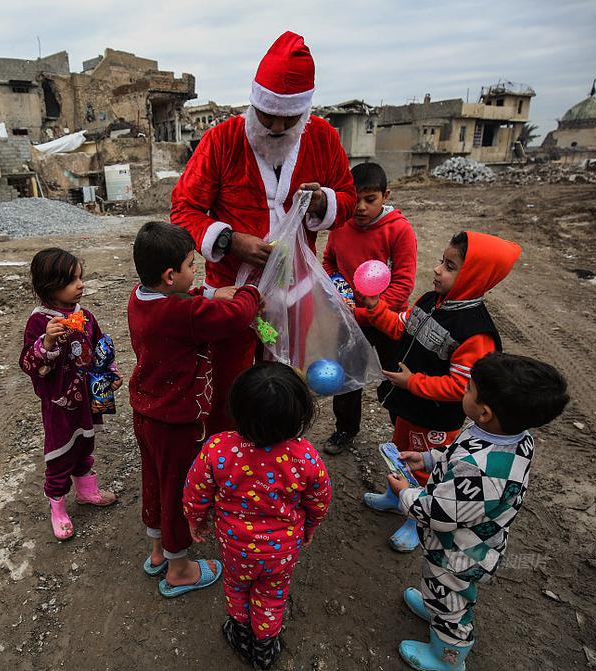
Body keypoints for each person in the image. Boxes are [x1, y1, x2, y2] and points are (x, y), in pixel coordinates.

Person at [171, 31, 356, 433]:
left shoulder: (323, 137)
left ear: (304, 113)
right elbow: (183, 208)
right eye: (266, 114)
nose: (274, 126)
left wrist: (324, 202)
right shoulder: (221, 140)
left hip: (295, 295)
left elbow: (349, 199)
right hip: (232, 294)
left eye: (287, 119)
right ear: (253, 103)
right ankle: (225, 456)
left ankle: (277, 457)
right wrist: (228, 240)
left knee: (284, 383)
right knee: (231, 383)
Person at [386, 353, 569, 670]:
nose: (463, 392)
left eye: (468, 388)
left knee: (452, 602)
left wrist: (405, 493)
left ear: (484, 412)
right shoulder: (511, 437)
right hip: (468, 540)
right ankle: (434, 605)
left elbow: (438, 513)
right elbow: (459, 451)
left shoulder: (480, 472)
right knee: (440, 588)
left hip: (460, 551)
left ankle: (448, 655)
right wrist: (428, 459)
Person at [354, 231, 522, 552]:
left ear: (473, 276)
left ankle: (417, 521)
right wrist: (375, 308)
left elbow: (460, 386)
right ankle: (395, 495)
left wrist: (411, 382)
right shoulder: (431, 301)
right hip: (411, 406)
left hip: (435, 418)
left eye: (449, 265)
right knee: (399, 449)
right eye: (441, 261)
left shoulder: (475, 333)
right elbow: (401, 325)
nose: (436, 269)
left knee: (426, 468)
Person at [127, 221, 261, 597]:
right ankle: (179, 568)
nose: (195, 272)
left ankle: (158, 551)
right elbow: (234, 317)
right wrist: (249, 293)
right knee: (177, 490)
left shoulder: (140, 298)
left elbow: (191, 299)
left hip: (147, 413)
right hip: (176, 422)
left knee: (154, 481)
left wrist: (213, 292)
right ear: (170, 276)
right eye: (191, 265)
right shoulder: (182, 314)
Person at [184, 362, 332, 670]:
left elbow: (196, 488)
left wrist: (194, 518)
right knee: (272, 595)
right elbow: (318, 499)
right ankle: (265, 648)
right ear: (299, 416)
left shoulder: (218, 448)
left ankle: (240, 633)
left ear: (236, 409)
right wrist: (312, 526)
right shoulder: (305, 456)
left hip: (236, 545)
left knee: (237, 587)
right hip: (282, 549)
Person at [19, 248, 121, 540]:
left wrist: (111, 374)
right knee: (60, 453)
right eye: (71, 281)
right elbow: (29, 363)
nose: (80, 285)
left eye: (80, 277)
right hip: (59, 404)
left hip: (87, 398)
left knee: (85, 444)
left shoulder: (85, 316)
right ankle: (57, 506)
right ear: (49, 286)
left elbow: (100, 346)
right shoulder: (40, 323)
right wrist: (47, 342)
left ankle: (87, 491)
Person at [321, 161, 417, 455]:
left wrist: (366, 312)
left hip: (389, 322)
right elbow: (329, 262)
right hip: (350, 320)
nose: (360, 207)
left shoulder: (399, 231)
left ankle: (402, 435)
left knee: (395, 378)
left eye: (370, 199)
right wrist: (338, 288)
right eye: (356, 199)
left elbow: (403, 283)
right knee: (347, 377)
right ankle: (345, 429)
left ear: (386, 195)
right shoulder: (341, 228)